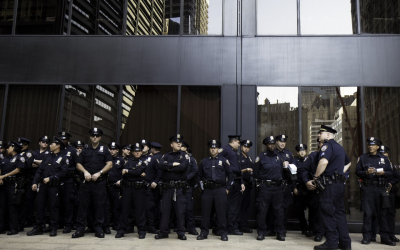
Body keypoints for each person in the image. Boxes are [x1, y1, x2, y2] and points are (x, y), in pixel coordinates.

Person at [314, 125, 351, 250]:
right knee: (339, 214)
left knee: (328, 212)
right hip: (339, 185)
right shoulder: (340, 147)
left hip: (329, 186)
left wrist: (316, 177)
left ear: (328, 135)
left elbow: (323, 162)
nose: (319, 135)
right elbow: (349, 162)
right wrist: (339, 172)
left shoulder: (327, 146)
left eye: (321, 133)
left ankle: (332, 243)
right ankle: (345, 243)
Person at [72, 127, 112, 239]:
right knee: (82, 206)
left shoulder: (104, 149)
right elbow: (78, 164)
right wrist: (85, 172)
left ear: (100, 137)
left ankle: (98, 229)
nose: (95, 137)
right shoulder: (85, 149)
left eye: (97, 135)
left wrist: (99, 173)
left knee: (99, 206)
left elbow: (109, 164)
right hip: (86, 182)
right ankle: (80, 229)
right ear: (90, 137)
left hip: (99, 183)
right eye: (93, 135)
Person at [356, 138, 395, 246]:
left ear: (378, 147)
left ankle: (385, 237)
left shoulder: (384, 158)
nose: (370, 146)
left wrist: (383, 173)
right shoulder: (363, 158)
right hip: (368, 189)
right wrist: (366, 172)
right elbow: (357, 172)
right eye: (369, 144)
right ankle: (367, 237)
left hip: (381, 189)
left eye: (373, 145)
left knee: (382, 214)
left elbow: (391, 173)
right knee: (368, 214)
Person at [27, 137, 68, 237]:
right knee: (40, 206)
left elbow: (63, 173)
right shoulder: (47, 156)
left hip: (54, 186)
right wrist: (35, 182)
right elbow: (39, 170)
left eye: (52, 144)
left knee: (53, 207)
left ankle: (53, 228)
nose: (50, 145)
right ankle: (38, 227)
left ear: (58, 146)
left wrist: (51, 178)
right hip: (43, 186)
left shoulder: (63, 158)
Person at [155, 134, 189, 240]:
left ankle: (181, 232)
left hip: (179, 188)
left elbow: (183, 167)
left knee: (180, 211)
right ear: (171, 144)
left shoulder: (185, 156)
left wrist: (168, 167)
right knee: (165, 211)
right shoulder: (166, 155)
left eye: (180, 142)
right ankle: (163, 232)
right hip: (167, 188)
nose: (179, 143)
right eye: (176, 142)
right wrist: (173, 164)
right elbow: (160, 165)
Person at [197, 140, 232, 241]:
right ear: (209, 149)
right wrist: (201, 187)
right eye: (211, 148)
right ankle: (204, 232)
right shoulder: (204, 161)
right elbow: (199, 176)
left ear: (218, 149)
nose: (213, 149)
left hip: (220, 189)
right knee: (205, 213)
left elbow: (231, 176)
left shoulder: (224, 160)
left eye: (215, 148)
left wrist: (228, 188)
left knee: (221, 213)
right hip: (207, 190)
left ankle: (223, 233)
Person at [253, 136, 285, 241]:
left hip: (277, 188)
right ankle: (261, 232)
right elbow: (256, 173)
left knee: (279, 211)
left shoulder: (279, 157)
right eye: (269, 144)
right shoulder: (261, 157)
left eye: (273, 144)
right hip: (265, 188)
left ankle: (280, 232)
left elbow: (282, 171)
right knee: (262, 211)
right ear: (266, 145)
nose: (272, 146)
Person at [115, 143, 148, 239]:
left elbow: (137, 171)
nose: (137, 153)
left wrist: (129, 171)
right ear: (133, 152)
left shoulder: (144, 161)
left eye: (139, 151)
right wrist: (135, 172)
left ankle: (141, 231)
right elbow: (124, 174)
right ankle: (121, 230)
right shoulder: (127, 161)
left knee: (139, 210)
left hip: (139, 189)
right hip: (128, 188)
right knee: (125, 209)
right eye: (136, 151)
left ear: (141, 152)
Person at [218, 135, 245, 235]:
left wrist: (242, 182)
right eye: (238, 143)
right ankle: (222, 227)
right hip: (227, 181)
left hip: (236, 180)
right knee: (225, 206)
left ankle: (231, 227)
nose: (239, 145)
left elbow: (239, 169)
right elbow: (217, 160)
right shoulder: (224, 149)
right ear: (233, 141)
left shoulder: (235, 152)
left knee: (233, 207)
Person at [300, 139, 325, 242]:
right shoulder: (313, 156)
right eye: (321, 143)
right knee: (314, 209)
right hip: (315, 187)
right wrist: (307, 181)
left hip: (328, 187)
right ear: (318, 145)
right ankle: (315, 230)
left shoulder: (333, 154)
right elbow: (304, 169)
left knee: (326, 210)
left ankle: (323, 232)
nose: (323, 145)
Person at [0, 141, 25, 235]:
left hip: (13, 185)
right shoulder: (5, 159)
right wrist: (0, 177)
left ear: (13, 148)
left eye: (9, 147)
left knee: (12, 207)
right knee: (2, 207)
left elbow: (18, 170)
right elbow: (0, 167)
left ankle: (13, 228)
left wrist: (4, 176)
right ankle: (1, 227)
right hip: (3, 185)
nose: (7, 149)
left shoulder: (20, 157)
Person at [57, 131, 79, 234]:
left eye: (64, 139)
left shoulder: (72, 150)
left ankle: (68, 224)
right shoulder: (57, 149)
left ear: (68, 140)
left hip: (69, 179)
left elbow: (77, 165)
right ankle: (59, 223)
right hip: (57, 179)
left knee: (68, 203)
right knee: (57, 202)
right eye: (61, 139)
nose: (63, 140)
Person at [379, 146, 400, 243]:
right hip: (380, 192)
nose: (384, 155)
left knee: (391, 214)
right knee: (382, 215)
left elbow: (397, 176)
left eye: (385, 153)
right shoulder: (377, 164)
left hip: (390, 193)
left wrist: (391, 183)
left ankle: (391, 235)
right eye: (382, 154)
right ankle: (384, 236)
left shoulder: (390, 165)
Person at [181, 141, 199, 235]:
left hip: (187, 186)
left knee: (189, 208)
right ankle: (180, 227)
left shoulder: (191, 159)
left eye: (183, 147)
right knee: (178, 208)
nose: (181, 148)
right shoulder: (178, 158)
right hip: (178, 185)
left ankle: (191, 227)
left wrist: (187, 178)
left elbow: (195, 170)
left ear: (186, 148)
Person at [17, 137, 34, 232]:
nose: (20, 147)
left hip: (25, 180)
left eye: (22, 145)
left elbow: (26, 165)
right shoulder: (18, 154)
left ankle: (24, 221)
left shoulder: (28, 154)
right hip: (17, 181)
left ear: (26, 145)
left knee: (24, 202)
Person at [293, 144, 310, 235]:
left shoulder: (309, 160)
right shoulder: (295, 161)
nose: (302, 152)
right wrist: (294, 187)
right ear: (297, 152)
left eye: (303, 150)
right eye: (300, 150)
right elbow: (292, 176)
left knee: (311, 209)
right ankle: (304, 228)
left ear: (306, 151)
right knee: (299, 210)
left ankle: (311, 228)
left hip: (309, 188)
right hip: (299, 188)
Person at [107, 142, 124, 231]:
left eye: (114, 149)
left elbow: (124, 172)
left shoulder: (121, 160)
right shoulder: (105, 159)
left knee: (116, 207)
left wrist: (121, 180)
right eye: (111, 149)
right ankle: (106, 224)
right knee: (106, 206)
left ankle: (116, 224)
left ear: (117, 150)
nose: (112, 151)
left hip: (116, 186)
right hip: (106, 186)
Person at [238, 140, 254, 233]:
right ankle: (235, 225)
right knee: (238, 206)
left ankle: (243, 226)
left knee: (246, 207)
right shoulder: (238, 157)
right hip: (240, 184)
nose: (246, 148)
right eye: (245, 146)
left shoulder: (250, 158)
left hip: (248, 185)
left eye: (248, 147)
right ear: (241, 147)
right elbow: (237, 171)